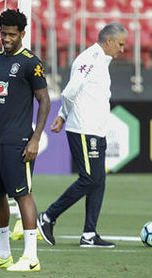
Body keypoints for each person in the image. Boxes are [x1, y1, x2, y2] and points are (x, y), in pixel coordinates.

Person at [0, 9, 50, 272]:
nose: (6, 39)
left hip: (18, 141)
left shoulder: (31, 63)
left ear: (22, 34)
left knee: (22, 195)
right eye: (3, 33)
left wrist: (35, 138)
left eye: (12, 35)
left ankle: (31, 257)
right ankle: (3, 253)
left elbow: (44, 101)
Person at [37, 22, 127, 248]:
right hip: (84, 130)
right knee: (89, 178)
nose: (123, 49)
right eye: (120, 44)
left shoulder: (101, 60)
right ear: (109, 40)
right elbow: (69, 92)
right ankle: (48, 217)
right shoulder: (89, 59)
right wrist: (63, 114)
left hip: (96, 130)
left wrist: (62, 115)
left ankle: (89, 234)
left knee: (98, 180)